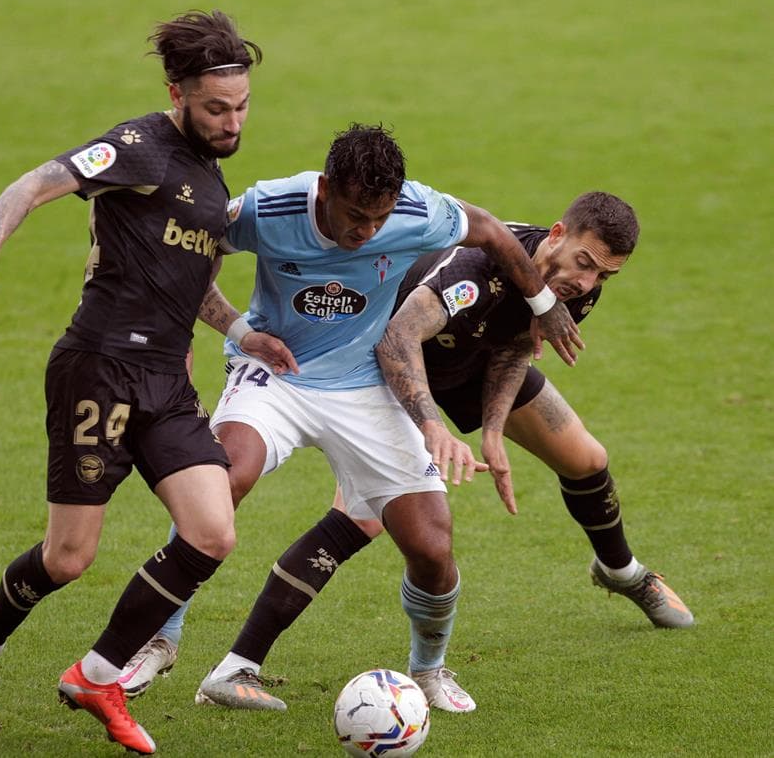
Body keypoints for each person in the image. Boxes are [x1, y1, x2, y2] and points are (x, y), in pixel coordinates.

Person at [123, 191, 694, 710]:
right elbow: (398, 338)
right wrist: (431, 427)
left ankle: (620, 571)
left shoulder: (571, 292)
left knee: (586, 458)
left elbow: (517, 345)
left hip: (469, 364)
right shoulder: (475, 268)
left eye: (603, 275)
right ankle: (234, 664)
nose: (587, 282)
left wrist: (492, 429)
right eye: (583, 263)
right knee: (365, 516)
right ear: (556, 233)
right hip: (393, 368)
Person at [0, 10, 293, 754]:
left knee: (212, 531)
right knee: (68, 559)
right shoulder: (141, 145)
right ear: (177, 93)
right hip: (98, 368)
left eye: (242, 106)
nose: (232, 122)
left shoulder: (205, 171)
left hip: (166, 379)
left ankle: (98, 674)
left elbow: (185, 279)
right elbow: (38, 182)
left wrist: (241, 333)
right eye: (215, 108)